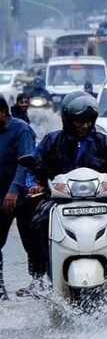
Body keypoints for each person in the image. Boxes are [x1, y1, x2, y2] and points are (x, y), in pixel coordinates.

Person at [23, 91, 107, 290]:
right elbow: (33, 168)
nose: (84, 126)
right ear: (67, 119)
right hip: (59, 202)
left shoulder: (103, 142)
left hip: (101, 201)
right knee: (36, 225)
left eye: (88, 121)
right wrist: (34, 184)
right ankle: (38, 278)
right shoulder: (51, 141)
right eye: (79, 121)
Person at [0, 99, 37, 300]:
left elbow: (25, 163)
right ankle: (0, 290)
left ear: (3, 113)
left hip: (23, 197)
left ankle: (39, 285)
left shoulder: (21, 129)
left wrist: (14, 190)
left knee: (32, 243)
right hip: (1, 196)